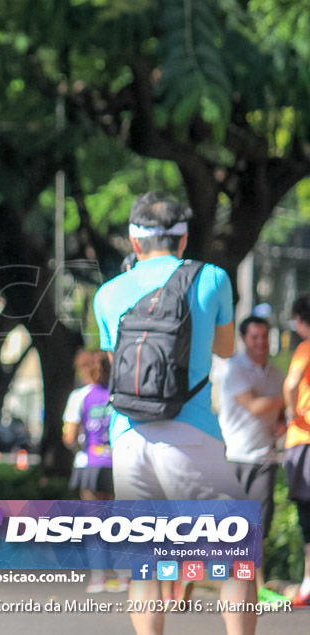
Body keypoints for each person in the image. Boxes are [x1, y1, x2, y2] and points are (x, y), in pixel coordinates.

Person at [93, 192, 255, 634]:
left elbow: (118, 363)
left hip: (127, 437)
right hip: (191, 430)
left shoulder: (107, 294)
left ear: (134, 241)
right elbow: (224, 349)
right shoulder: (213, 278)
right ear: (183, 241)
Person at [218, 315, 287, 602]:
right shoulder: (234, 369)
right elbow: (256, 406)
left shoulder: (276, 375)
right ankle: (199, 578)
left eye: (264, 336)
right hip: (235, 457)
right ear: (245, 339)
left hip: (265, 458)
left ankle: (255, 588)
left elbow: (282, 415)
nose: (260, 342)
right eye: (254, 337)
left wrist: (283, 423)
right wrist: (290, 394)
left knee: (257, 526)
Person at [62, 350, 126, 594]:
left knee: (94, 523)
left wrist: (78, 444)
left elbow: (69, 436)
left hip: (90, 463)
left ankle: (99, 578)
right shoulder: (117, 394)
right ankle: (123, 577)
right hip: (118, 464)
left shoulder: (80, 396)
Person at [282, 296, 310, 607]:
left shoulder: (305, 347)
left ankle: (307, 585)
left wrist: (291, 413)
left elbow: (290, 384)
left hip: (305, 438)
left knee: (307, 515)